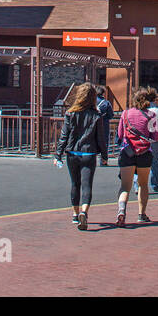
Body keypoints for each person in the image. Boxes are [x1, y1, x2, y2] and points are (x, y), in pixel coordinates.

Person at [54, 82, 109, 231]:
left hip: (72, 153)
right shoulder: (96, 115)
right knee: (87, 184)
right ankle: (84, 211)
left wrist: (58, 155)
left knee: (75, 184)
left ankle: (75, 213)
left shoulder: (70, 113)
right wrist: (104, 155)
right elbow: (101, 138)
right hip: (89, 153)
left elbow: (63, 136)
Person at [114, 88, 158, 225]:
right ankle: (142, 214)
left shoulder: (125, 114)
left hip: (127, 152)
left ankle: (121, 210)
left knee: (125, 186)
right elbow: (156, 136)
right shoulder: (151, 115)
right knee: (142, 184)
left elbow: (119, 134)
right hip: (144, 153)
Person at [95, 84, 114, 166]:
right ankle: (104, 160)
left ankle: (91, 158)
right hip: (103, 124)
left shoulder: (91, 102)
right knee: (104, 142)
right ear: (103, 93)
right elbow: (111, 115)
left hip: (92, 124)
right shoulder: (106, 103)